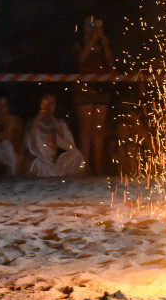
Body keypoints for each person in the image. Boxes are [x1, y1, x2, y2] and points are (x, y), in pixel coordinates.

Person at [72, 14, 114, 175]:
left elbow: (110, 63)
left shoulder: (101, 43)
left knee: (98, 130)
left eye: (94, 24)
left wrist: (105, 45)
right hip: (83, 89)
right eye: (88, 25)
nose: (92, 27)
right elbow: (80, 59)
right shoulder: (79, 43)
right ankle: (85, 168)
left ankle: (98, 168)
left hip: (101, 89)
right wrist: (91, 40)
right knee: (85, 130)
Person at [26, 92, 85, 179]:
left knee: (77, 156)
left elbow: (65, 137)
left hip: (57, 162)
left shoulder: (59, 122)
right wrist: (39, 117)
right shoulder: (33, 122)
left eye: (52, 103)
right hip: (42, 159)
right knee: (38, 163)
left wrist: (52, 118)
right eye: (46, 103)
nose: (49, 106)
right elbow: (31, 139)